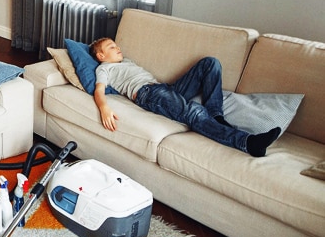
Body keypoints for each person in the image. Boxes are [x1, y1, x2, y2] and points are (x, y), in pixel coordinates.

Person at [90, 37, 280, 157]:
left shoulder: (126, 61)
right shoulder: (104, 69)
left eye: (116, 45)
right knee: (194, 111)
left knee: (210, 63)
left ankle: (216, 115)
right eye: (111, 47)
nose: (118, 47)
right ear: (101, 56)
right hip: (148, 94)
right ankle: (248, 143)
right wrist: (104, 108)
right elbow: (99, 90)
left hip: (166, 88)